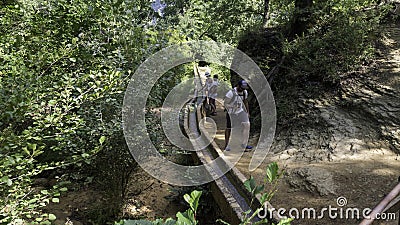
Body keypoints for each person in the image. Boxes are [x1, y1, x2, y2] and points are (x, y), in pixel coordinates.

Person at [223, 80, 252, 151]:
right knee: (229, 128)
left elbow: (245, 102)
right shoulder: (231, 93)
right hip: (231, 113)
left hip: (240, 111)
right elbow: (225, 104)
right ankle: (226, 145)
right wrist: (232, 107)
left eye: (244, 88)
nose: (243, 89)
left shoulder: (245, 92)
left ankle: (244, 144)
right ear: (238, 86)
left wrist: (247, 112)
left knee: (247, 125)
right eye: (242, 88)